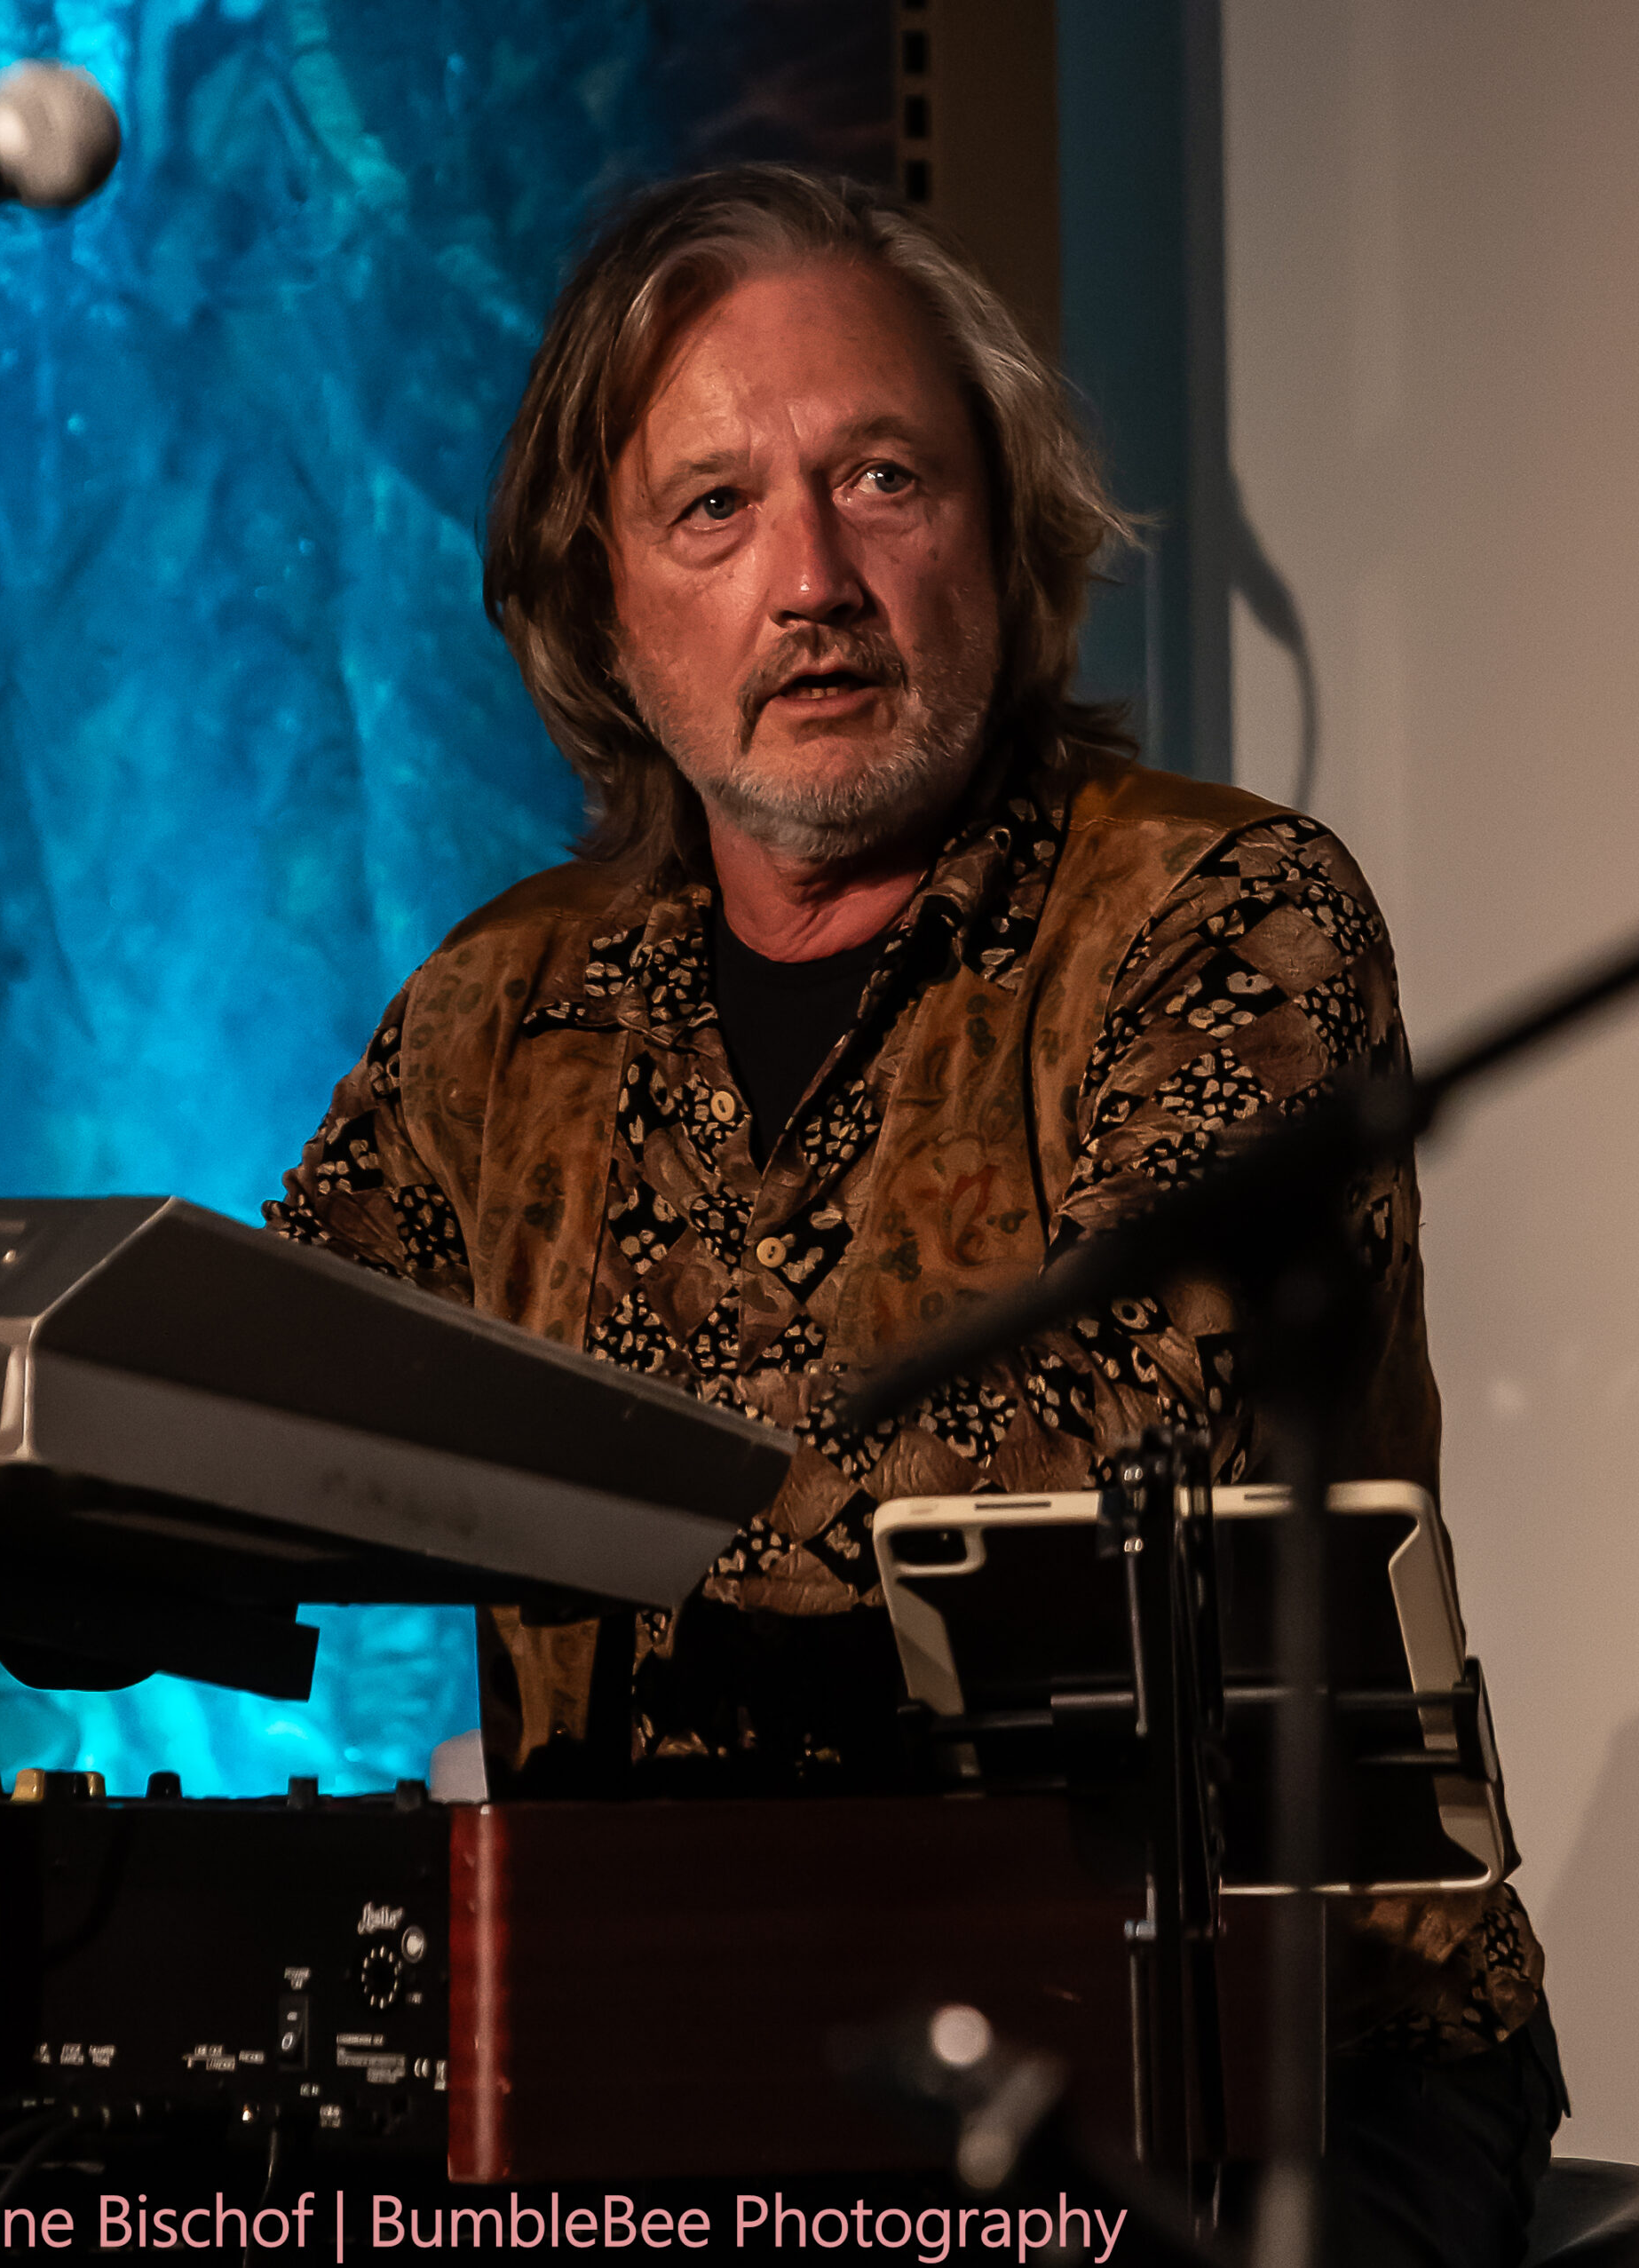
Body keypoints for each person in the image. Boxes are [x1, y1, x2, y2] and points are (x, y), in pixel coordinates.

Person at [267, 166, 1560, 2264]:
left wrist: (553, 1485)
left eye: (879, 478)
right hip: (669, 2033)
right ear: (598, 603)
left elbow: (1121, 1448)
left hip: (1257, 2051)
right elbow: (273, 1393)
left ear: (1002, 530)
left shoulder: (1220, 913)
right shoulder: (496, 1007)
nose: (812, 581)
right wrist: (14, 1477)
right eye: (713, 508)